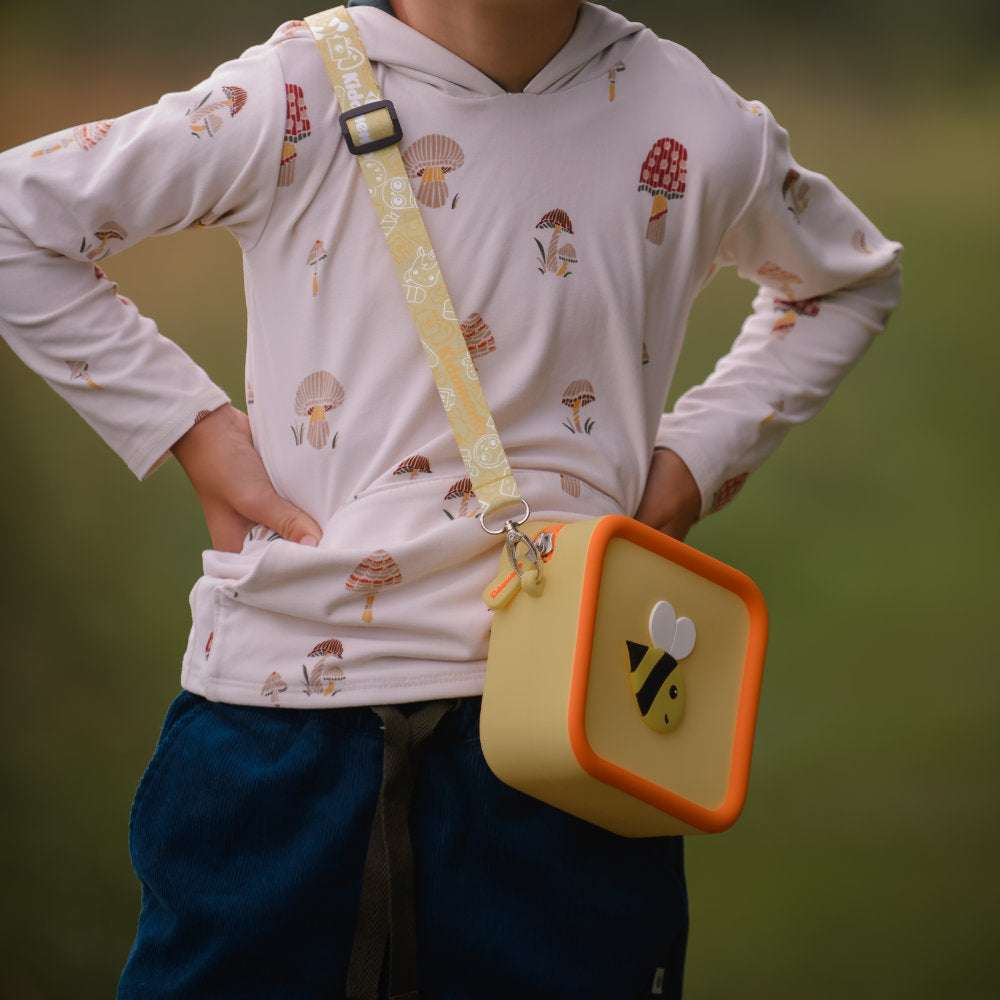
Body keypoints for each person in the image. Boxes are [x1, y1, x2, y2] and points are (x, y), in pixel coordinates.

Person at [0, 0, 903, 996]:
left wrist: (691, 464)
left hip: (573, 748)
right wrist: (194, 428)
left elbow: (845, 280)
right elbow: (17, 220)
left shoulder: (693, 120)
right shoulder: (295, 91)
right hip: (283, 745)